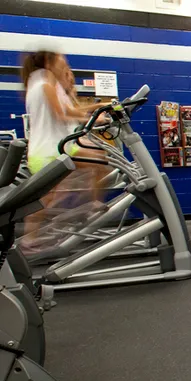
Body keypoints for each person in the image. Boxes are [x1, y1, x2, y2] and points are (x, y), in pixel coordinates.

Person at [19, 50, 108, 252]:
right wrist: (93, 121)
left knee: (99, 161)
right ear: (50, 63)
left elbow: (70, 111)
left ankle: (88, 206)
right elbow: (63, 115)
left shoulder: (43, 84)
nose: (65, 66)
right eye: (62, 62)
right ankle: (28, 240)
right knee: (46, 199)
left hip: (58, 148)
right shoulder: (44, 86)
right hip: (51, 151)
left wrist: (99, 107)